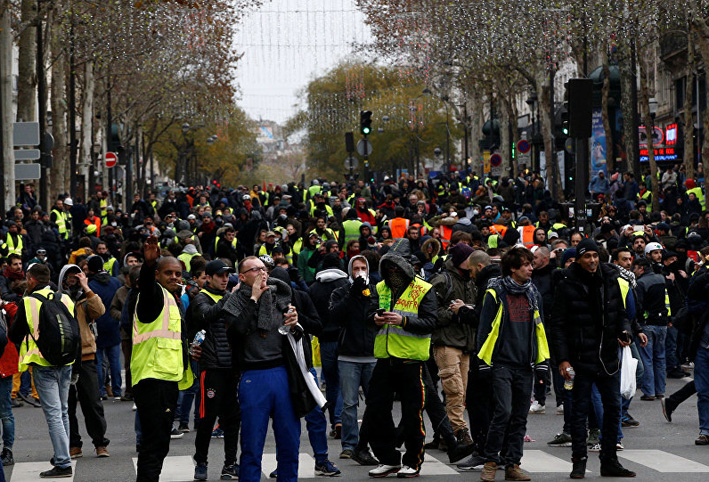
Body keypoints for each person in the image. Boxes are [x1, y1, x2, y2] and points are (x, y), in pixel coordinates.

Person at [550, 239, 636, 478]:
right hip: (579, 358)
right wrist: (563, 360)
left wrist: (625, 330)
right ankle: (579, 461)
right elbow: (557, 325)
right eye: (587, 256)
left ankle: (609, 460)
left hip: (607, 357)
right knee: (579, 411)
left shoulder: (609, 279)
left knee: (612, 409)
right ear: (578, 259)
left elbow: (621, 313)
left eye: (595, 255)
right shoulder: (567, 283)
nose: (592, 260)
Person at [222, 256, 301, 482]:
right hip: (253, 375)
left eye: (264, 269)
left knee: (289, 440)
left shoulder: (281, 295)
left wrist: (295, 323)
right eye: (255, 270)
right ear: (243, 276)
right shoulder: (235, 301)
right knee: (252, 443)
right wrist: (254, 298)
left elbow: (301, 334)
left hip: (282, 372)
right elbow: (236, 331)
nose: (261, 273)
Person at [364, 239, 438, 478]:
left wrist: (403, 320)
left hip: (411, 361)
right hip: (385, 359)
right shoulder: (381, 287)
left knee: (412, 414)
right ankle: (388, 458)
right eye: (388, 268)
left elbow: (431, 322)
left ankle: (413, 462)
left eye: (396, 267)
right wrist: (374, 318)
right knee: (376, 410)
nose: (392, 272)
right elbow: (370, 312)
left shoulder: (424, 289)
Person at [476, 247, 549, 482]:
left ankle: (513, 464)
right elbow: (484, 328)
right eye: (526, 264)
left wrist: (541, 362)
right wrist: (483, 362)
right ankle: (490, 461)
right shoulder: (495, 291)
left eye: (531, 264)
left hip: (525, 364)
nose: (531, 268)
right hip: (501, 363)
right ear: (513, 268)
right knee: (503, 412)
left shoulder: (532, 293)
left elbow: (540, 329)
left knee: (519, 416)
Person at [8, 264, 78, 478]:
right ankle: (62, 454)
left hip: (43, 363)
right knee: (63, 411)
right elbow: (76, 331)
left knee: (54, 414)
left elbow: (14, 335)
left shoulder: (28, 302)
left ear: (30, 279)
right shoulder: (65, 297)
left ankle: (63, 462)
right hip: (67, 361)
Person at [131, 237, 191, 482]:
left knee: (159, 444)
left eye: (178, 273)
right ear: (157, 274)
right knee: (154, 446)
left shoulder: (171, 299)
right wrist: (148, 263)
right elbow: (146, 286)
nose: (175, 277)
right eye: (168, 273)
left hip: (165, 379)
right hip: (152, 379)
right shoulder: (153, 295)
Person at [186, 260, 240, 481]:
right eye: (220, 275)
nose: (225, 279)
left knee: (232, 419)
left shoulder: (229, 296)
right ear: (208, 277)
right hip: (211, 369)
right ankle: (201, 462)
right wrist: (230, 298)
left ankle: (230, 464)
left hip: (232, 368)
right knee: (207, 418)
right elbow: (207, 315)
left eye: (227, 275)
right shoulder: (201, 298)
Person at [329, 254, 379, 464]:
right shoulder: (341, 291)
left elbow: (377, 313)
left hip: (372, 354)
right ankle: (349, 445)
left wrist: (366, 295)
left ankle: (373, 443)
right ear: (350, 270)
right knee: (349, 404)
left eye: (363, 268)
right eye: (356, 268)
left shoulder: (375, 290)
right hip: (348, 355)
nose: (360, 272)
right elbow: (335, 316)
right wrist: (353, 292)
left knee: (375, 403)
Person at [59, 265, 111, 458]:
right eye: (69, 278)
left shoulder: (85, 298)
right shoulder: (58, 298)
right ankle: (74, 444)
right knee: (67, 404)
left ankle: (100, 443)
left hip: (86, 357)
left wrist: (86, 287)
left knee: (92, 403)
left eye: (76, 277)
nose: (72, 281)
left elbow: (100, 311)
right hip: (64, 359)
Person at [430, 243, 477, 447]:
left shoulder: (472, 280)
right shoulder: (442, 280)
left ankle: (443, 435)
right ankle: (460, 432)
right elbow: (431, 312)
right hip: (446, 342)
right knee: (454, 391)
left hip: (465, 344)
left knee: (461, 393)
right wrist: (456, 313)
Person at [632, 257, 670, 400]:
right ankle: (660, 390)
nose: (634, 271)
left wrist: (638, 322)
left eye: (635, 268)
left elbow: (638, 306)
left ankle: (649, 392)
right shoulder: (661, 279)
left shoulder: (641, 283)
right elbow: (667, 300)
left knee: (647, 358)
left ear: (641, 268)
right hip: (662, 323)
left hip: (648, 324)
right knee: (660, 357)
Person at [86, 256, 123, 400]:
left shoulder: (90, 285)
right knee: (115, 361)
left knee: (99, 362)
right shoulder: (115, 282)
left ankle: (100, 391)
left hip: (97, 326)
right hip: (113, 324)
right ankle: (117, 390)